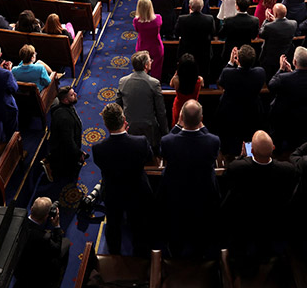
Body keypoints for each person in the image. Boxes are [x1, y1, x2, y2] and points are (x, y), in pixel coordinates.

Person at [222, 130, 296, 266]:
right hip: (274, 226)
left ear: (252, 151)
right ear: (273, 148)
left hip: (244, 226)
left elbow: (227, 181)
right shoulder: (288, 170)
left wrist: (241, 158)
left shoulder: (237, 167)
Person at [92, 103, 155, 255]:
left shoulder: (98, 149)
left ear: (106, 124)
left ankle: (114, 255)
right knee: (139, 226)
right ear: (124, 120)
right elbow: (149, 158)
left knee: (113, 226)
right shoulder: (140, 142)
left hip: (113, 194)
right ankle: (141, 255)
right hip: (138, 192)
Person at [159, 100, 221, 256]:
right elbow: (208, 139)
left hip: (176, 192)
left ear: (181, 117)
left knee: (176, 223)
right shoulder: (213, 141)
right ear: (201, 119)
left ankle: (176, 249)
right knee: (200, 223)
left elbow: (164, 152)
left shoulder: (168, 141)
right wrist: (203, 127)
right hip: (203, 192)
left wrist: (177, 126)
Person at [11, 197, 70, 288]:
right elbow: (56, 250)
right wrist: (56, 226)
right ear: (47, 216)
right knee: (65, 243)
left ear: (31, 209)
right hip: (37, 277)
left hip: (19, 270)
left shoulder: (17, 223)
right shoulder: (44, 237)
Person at [268, 46, 307, 150]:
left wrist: (281, 69)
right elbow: (300, 79)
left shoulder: (283, 78)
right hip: (305, 118)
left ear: (294, 61)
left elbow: (271, 85)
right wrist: (292, 72)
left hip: (285, 119)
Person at [118, 51, 167, 149]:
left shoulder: (122, 81)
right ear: (146, 65)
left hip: (129, 129)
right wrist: (165, 134)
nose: (152, 62)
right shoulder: (154, 83)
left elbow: (118, 108)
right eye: (150, 60)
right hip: (149, 133)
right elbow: (161, 112)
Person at [175, 0, 216, 81]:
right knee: (203, 74)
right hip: (204, 53)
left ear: (189, 6)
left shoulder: (182, 19)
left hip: (186, 53)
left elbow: (176, 33)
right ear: (202, 6)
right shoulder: (209, 19)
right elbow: (213, 33)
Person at [47, 86, 84, 181]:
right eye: (72, 95)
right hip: (64, 152)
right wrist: (78, 154)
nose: (75, 94)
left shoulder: (62, 106)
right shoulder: (65, 118)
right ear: (65, 100)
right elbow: (69, 141)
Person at [258, 3, 297, 80]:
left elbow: (261, 34)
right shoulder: (293, 23)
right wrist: (275, 21)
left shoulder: (268, 26)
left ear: (275, 14)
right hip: (286, 55)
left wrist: (266, 20)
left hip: (270, 57)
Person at [133, 0, 164, 79]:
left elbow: (137, 30)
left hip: (142, 47)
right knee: (156, 70)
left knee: (141, 69)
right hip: (156, 47)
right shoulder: (158, 19)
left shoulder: (136, 21)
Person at [171, 54, 204, 128]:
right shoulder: (199, 80)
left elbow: (171, 84)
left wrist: (177, 73)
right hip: (193, 109)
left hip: (179, 108)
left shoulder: (176, 80)